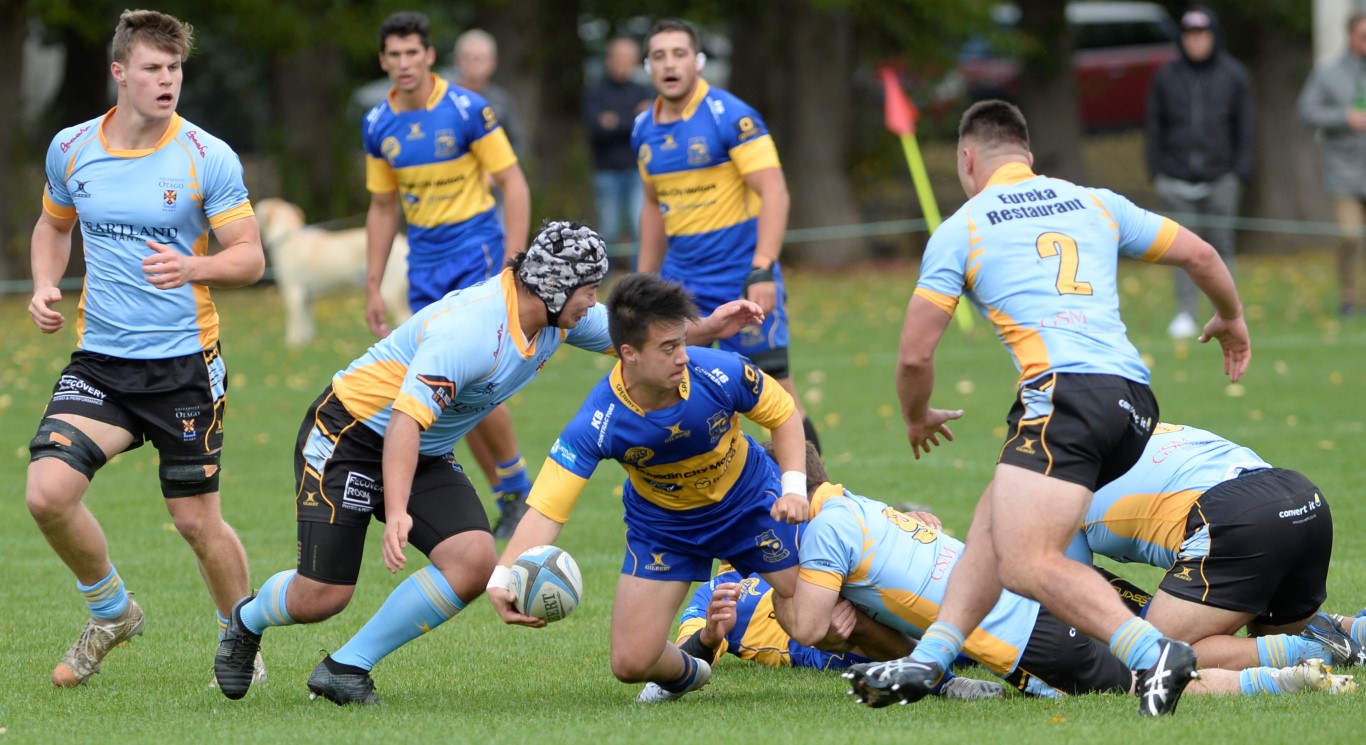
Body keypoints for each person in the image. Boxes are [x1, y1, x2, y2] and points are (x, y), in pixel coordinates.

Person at [212, 222, 764, 704]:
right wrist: (398, 510)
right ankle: (246, 619)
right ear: (553, 287)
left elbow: (639, 339)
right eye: (588, 291)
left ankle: (344, 669)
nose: (592, 304)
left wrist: (713, 326)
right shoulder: (473, 330)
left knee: (475, 562)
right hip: (351, 435)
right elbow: (403, 420)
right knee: (322, 595)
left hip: (422, 449)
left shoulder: (558, 318)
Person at [852, 100, 1251, 716]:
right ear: (1028, 156)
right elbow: (1200, 254)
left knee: (1026, 561)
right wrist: (1231, 317)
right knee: (998, 513)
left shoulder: (963, 226)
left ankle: (1152, 652)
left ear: (967, 159)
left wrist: (916, 414)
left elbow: (913, 358)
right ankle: (929, 659)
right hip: (1133, 403)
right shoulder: (1094, 201)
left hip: (1064, 394)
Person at [487, 273, 902, 702]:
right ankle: (695, 671)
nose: (683, 356)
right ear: (627, 354)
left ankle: (934, 666)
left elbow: (784, 415)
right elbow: (546, 509)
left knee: (818, 617)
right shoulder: (599, 420)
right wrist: (502, 576)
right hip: (665, 528)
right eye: (668, 348)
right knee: (630, 663)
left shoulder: (718, 373)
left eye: (682, 342)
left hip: (750, 506)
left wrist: (794, 487)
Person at [25, 9, 264, 688]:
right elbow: (52, 224)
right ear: (120, 73)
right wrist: (45, 282)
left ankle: (237, 635)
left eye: (175, 68)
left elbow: (248, 258)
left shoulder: (205, 155)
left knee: (195, 521)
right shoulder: (72, 147)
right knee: (47, 492)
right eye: (154, 68)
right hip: (101, 363)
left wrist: (195, 267)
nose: (167, 81)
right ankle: (111, 612)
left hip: (185, 367)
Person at [787, 473, 1355, 704]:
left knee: (1153, 671)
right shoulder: (857, 508)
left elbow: (810, 627)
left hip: (1029, 631)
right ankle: (1330, 639)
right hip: (1053, 579)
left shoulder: (819, 538)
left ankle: (1289, 676)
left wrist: (845, 621)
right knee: (1156, 638)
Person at [362, 12, 535, 539]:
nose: (404, 64)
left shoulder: (467, 109)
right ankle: (511, 496)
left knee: (470, 379)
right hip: (425, 267)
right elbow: (383, 207)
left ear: (429, 56)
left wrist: (514, 258)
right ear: (384, 62)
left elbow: (514, 184)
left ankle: (517, 491)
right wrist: (372, 283)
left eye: (413, 53)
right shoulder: (377, 124)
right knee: (447, 389)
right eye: (394, 55)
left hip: (477, 255)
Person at [633, 18, 822, 453]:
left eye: (679, 53)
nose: (669, 64)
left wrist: (762, 268)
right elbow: (651, 206)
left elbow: (773, 190)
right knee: (670, 385)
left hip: (741, 276)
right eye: (659, 56)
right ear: (648, 66)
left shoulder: (731, 117)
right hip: (682, 284)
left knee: (776, 390)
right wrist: (643, 282)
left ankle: (817, 494)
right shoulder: (643, 129)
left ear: (696, 61)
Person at [1066, 422, 1365, 670]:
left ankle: (1313, 651)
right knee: (1272, 632)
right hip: (1302, 497)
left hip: (1236, 517)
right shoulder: (1137, 428)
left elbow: (1071, 596)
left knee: (1151, 653)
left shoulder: (1054, 491)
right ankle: (1353, 632)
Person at [659, 566, 1008, 701]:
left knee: (984, 629)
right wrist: (707, 637)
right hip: (822, 645)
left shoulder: (805, 547)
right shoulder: (718, 589)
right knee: (842, 620)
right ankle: (944, 683)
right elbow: (678, 663)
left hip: (876, 605)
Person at [1144, 6, 1255, 339]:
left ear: (1213, 37)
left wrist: (1240, 173)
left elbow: (1246, 127)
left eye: (1202, 35)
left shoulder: (1234, 74)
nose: (1196, 42)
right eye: (1190, 36)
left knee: (1222, 247)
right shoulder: (1166, 76)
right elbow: (1153, 126)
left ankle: (1226, 313)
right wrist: (1157, 172)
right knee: (1182, 251)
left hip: (1222, 177)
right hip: (1176, 179)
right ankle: (1186, 313)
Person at [1299, 9, 1366, 316]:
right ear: (1351, 36)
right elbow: (1306, 111)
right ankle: (1348, 299)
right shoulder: (1329, 72)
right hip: (1344, 171)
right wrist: (1343, 118)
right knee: (1350, 235)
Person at [583, 36, 653, 267]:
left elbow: (646, 128)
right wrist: (632, 118)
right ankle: (601, 275)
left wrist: (616, 121)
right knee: (608, 228)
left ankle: (640, 274)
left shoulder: (643, 90)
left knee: (639, 224)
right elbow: (598, 129)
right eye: (618, 57)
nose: (622, 63)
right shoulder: (594, 91)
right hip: (606, 170)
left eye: (627, 58)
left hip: (636, 169)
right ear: (609, 60)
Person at [454, 29, 520, 152]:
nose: (474, 63)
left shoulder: (502, 101)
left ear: (493, 63)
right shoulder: (444, 98)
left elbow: (516, 144)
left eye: (480, 58)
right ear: (457, 61)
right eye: (467, 57)